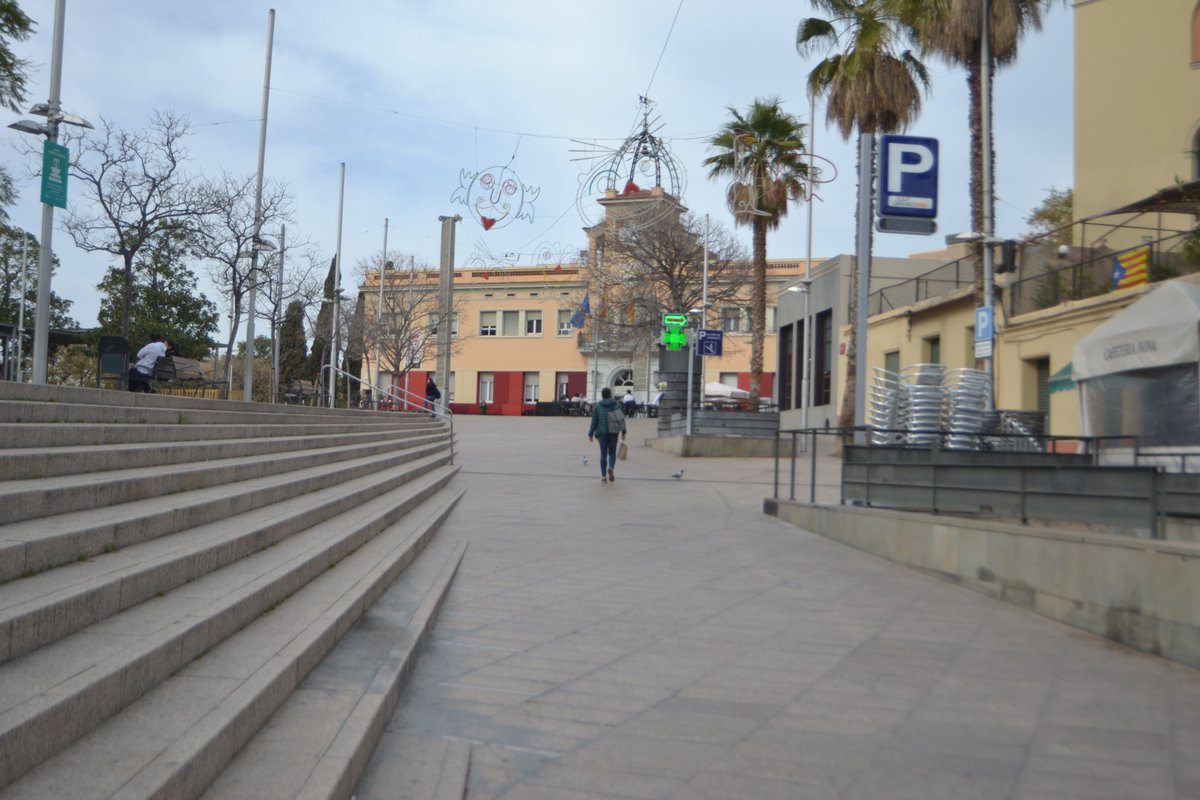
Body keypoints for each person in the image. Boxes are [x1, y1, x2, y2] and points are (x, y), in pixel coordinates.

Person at [587, 386, 626, 483]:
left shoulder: (598, 406)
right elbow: (621, 419)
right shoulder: (616, 405)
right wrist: (623, 432)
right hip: (613, 432)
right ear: (610, 395)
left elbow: (594, 421)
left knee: (603, 453)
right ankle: (611, 467)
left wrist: (590, 434)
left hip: (602, 433)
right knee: (612, 452)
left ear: (602, 395)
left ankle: (604, 476)